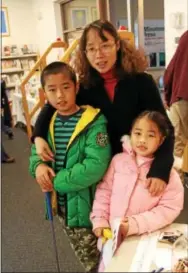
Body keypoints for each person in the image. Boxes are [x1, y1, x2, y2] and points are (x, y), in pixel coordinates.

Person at [32, 20, 174, 197]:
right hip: (100, 174)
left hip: (140, 168)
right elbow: (51, 108)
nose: (99, 55)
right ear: (85, 53)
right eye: (91, 49)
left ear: (117, 45)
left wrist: (160, 170)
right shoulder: (84, 87)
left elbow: (166, 128)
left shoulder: (141, 82)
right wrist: (37, 137)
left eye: (105, 45)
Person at [29, 61, 111, 272]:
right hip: (62, 207)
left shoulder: (94, 121)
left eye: (65, 87)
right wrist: (38, 167)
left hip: (89, 209)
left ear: (76, 87)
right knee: (85, 256)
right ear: (44, 92)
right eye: (52, 89)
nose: (60, 95)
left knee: (98, 260)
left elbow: (96, 164)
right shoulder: (49, 121)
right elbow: (37, 154)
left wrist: (56, 181)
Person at [90, 111, 184, 272]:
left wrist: (134, 224)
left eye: (150, 135)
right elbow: (104, 192)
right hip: (111, 238)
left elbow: (169, 208)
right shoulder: (118, 161)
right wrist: (99, 219)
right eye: (138, 133)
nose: (142, 140)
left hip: (143, 242)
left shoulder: (168, 174)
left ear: (161, 140)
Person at [164, 30, 188, 159]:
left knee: (177, 147)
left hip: (181, 99)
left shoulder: (186, 36)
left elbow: (170, 70)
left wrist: (167, 97)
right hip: (181, 96)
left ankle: (178, 178)